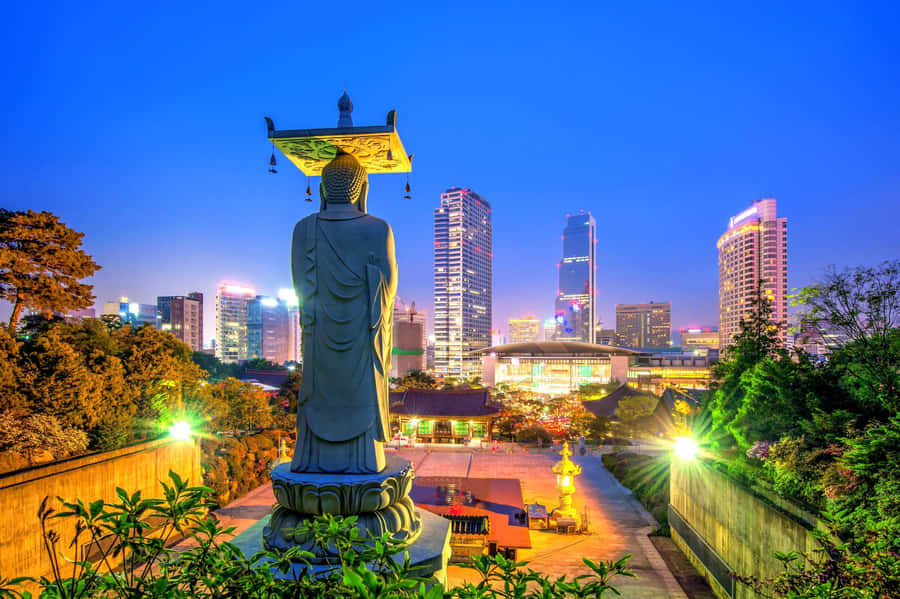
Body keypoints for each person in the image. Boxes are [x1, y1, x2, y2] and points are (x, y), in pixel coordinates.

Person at [290, 151, 397, 474]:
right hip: (363, 336)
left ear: (323, 191)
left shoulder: (303, 229)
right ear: (363, 191)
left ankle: (311, 459)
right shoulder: (378, 229)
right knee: (363, 389)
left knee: (318, 388)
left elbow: (300, 289)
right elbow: (388, 287)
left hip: (320, 336)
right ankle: (362, 461)